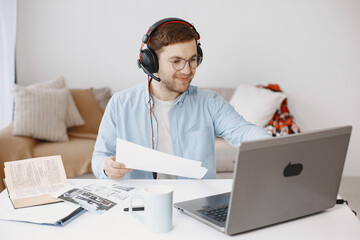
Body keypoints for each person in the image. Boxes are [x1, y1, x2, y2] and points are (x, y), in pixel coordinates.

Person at [92, 17, 271, 180]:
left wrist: (275, 146)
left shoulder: (210, 102)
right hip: (140, 202)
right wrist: (106, 167)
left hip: (197, 202)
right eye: (176, 61)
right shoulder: (120, 103)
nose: (187, 70)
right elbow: (100, 156)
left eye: (193, 59)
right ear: (151, 62)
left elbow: (245, 132)